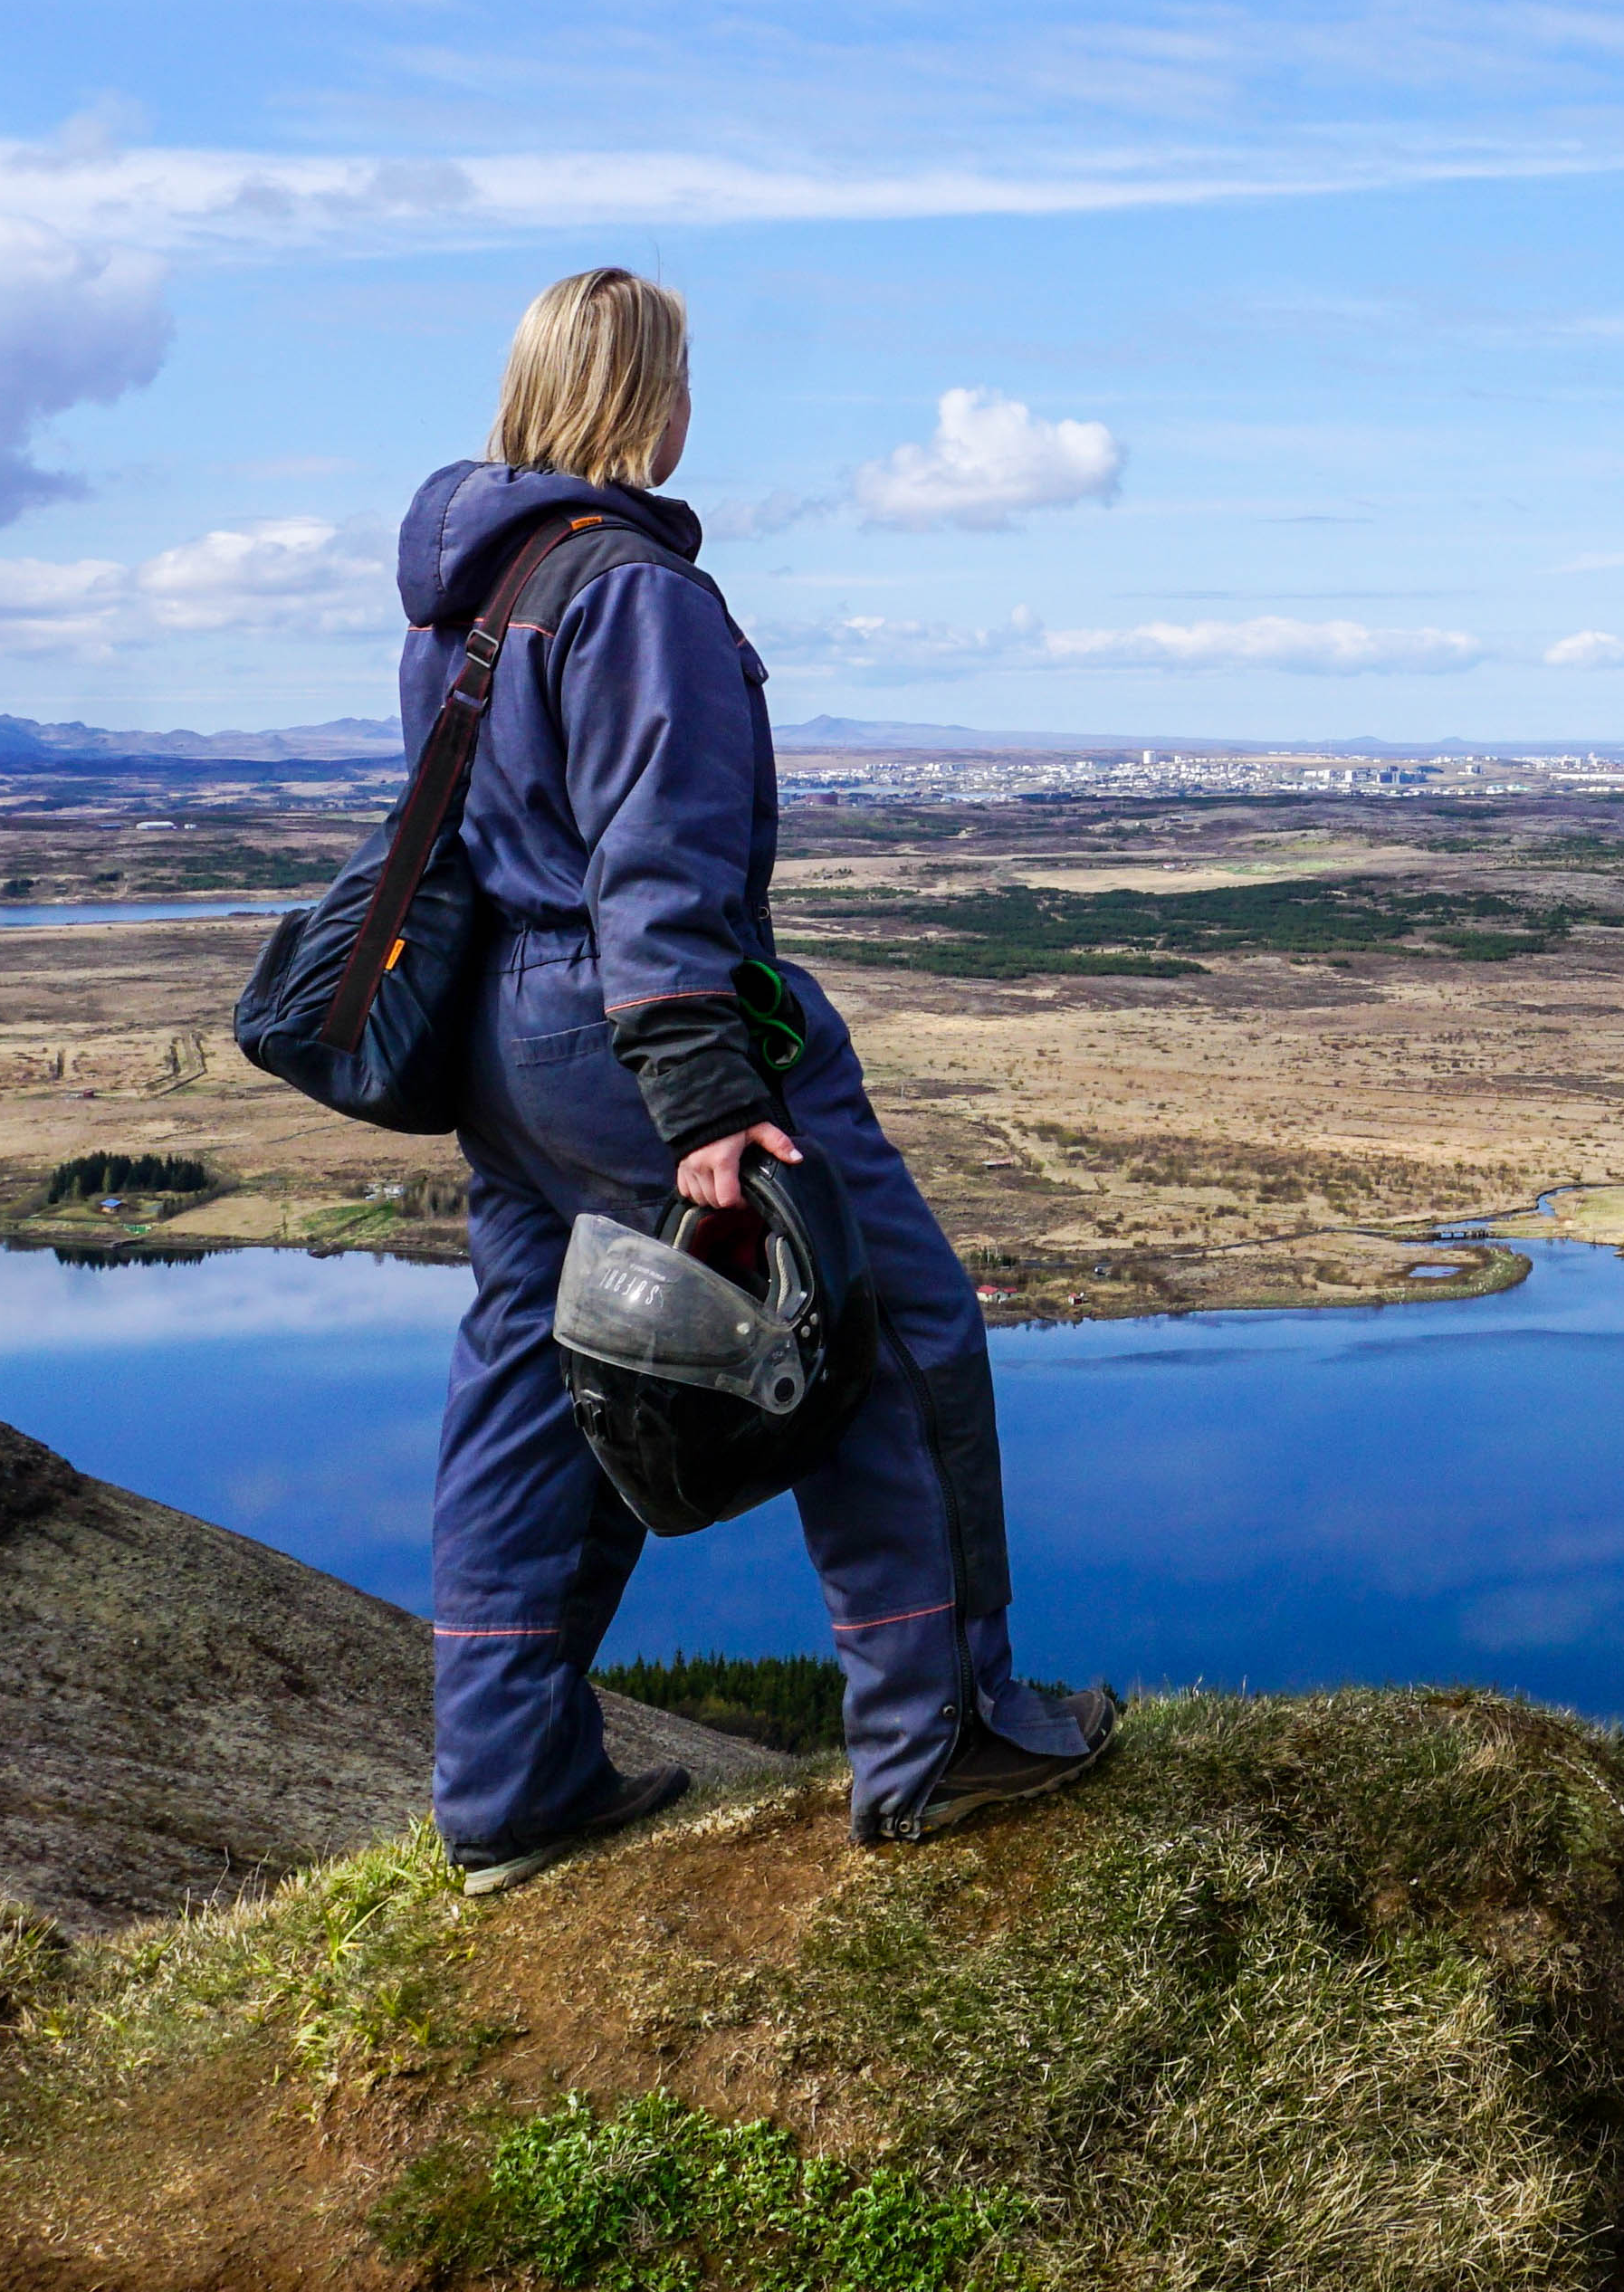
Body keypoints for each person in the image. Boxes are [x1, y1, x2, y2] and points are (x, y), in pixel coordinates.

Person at [400, 266, 1111, 1886]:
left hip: (504, 1044)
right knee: (880, 1328)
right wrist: (705, 1091)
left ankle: (507, 1787)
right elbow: (657, 857)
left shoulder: (468, 598)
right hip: (646, 1022)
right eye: (682, 374)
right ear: (645, 393)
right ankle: (944, 1731)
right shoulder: (632, 590)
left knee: (530, 1374)